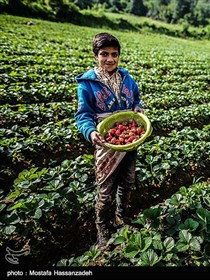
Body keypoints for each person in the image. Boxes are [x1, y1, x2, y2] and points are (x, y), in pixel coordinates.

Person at [74, 32, 145, 250]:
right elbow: (83, 114)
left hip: (129, 142)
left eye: (114, 54)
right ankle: (102, 229)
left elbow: (136, 99)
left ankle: (121, 218)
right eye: (104, 54)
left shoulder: (127, 79)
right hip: (105, 142)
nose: (110, 59)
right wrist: (90, 132)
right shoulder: (87, 84)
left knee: (128, 182)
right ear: (96, 55)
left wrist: (138, 108)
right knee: (105, 190)